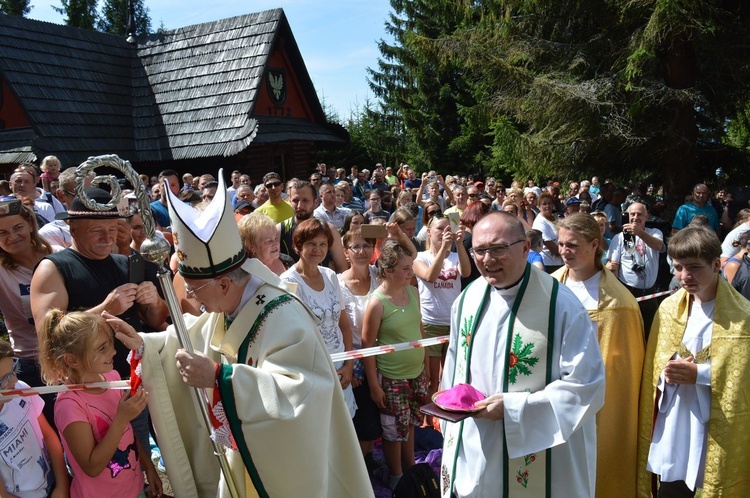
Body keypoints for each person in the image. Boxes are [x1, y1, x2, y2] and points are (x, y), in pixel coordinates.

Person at [113, 173, 373, 497]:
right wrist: (146, 344)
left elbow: (301, 393)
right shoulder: (232, 305)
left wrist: (221, 378)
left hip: (288, 470)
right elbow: (195, 333)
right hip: (248, 454)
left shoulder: (283, 314)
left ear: (223, 283)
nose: (191, 298)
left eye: (195, 289)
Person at [440, 211, 605, 498]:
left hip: (538, 449)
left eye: (499, 249)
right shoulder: (467, 300)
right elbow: (454, 366)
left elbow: (586, 387)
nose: (488, 259)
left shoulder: (562, 306)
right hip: (478, 443)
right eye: (479, 250)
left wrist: (514, 409)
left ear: (526, 248)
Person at [30, 187, 169, 449]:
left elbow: (156, 319)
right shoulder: (54, 268)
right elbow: (47, 332)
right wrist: (105, 309)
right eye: (97, 230)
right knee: (98, 465)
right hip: (86, 392)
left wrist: (154, 301)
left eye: (113, 228)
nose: (108, 237)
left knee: (135, 457)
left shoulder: (126, 263)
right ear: (73, 229)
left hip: (130, 383)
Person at [636, 228, 750, 497]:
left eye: (695, 268)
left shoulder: (743, 317)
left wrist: (699, 373)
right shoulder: (668, 308)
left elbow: (744, 374)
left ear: (716, 264)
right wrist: (667, 372)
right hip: (675, 417)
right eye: (678, 268)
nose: (685, 276)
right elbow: (653, 365)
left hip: (714, 421)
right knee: (673, 487)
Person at [553, 213, 645, 498]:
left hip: (600, 399)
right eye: (560, 244)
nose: (564, 252)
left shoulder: (620, 303)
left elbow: (624, 371)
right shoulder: (550, 287)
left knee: (597, 465)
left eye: (573, 245)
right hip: (555, 393)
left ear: (595, 245)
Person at [38, 310, 161, 498]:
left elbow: (128, 433)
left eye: (110, 344)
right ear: (72, 359)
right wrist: (121, 418)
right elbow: (91, 466)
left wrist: (149, 466)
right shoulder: (70, 405)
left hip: (133, 488)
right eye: (102, 348)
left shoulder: (112, 378)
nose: (113, 351)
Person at [362, 241, 428, 491]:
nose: (410, 272)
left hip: (416, 373)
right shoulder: (377, 303)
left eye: (411, 267)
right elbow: (368, 348)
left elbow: (420, 331)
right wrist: (373, 386)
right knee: (393, 431)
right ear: (388, 271)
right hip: (391, 378)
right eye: (404, 268)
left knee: (410, 423)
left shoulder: (413, 292)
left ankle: (410, 467)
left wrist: (427, 370)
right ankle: (397, 477)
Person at [280, 218, 357, 416]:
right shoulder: (288, 282)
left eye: (323, 244)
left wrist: (349, 365)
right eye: (311, 244)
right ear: (298, 246)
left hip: (340, 366)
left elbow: (344, 324)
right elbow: (292, 336)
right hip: (312, 369)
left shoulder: (330, 275)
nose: (317, 249)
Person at [414, 211, 471, 406]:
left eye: (448, 228)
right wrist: (443, 249)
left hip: (453, 322)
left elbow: (467, 272)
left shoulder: (455, 255)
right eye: (439, 228)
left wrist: (459, 244)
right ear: (429, 232)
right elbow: (430, 276)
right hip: (430, 323)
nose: (444, 232)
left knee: (451, 373)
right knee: (432, 377)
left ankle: (448, 409)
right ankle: (430, 415)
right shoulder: (420, 257)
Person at [0, 339, 69, 498]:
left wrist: (62, 486)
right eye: (4, 380)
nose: (15, 381)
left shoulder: (21, 390)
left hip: (54, 486)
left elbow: (49, 435)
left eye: (14, 369)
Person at [337, 228, 382, 468]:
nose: (362, 251)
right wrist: (350, 365)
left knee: (377, 420)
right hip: (356, 365)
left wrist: (387, 232)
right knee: (362, 422)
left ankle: (370, 460)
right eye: (356, 246)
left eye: (367, 245)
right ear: (346, 252)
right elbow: (339, 328)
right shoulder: (337, 284)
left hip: (382, 359)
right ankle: (360, 468)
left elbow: (408, 253)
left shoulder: (380, 275)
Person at [606, 201, 665, 334]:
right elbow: (614, 266)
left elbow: (659, 246)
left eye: (639, 214)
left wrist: (639, 233)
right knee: (629, 332)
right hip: (628, 291)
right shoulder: (621, 238)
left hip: (650, 292)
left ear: (646, 216)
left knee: (650, 332)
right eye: (632, 214)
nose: (635, 217)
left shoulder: (654, 232)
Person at [531, 192, 563, 272]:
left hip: (561, 261)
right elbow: (549, 244)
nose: (547, 206)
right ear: (539, 206)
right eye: (544, 204)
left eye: (549, 203)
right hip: (549, 264)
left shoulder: (555, 217)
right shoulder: (540, 222)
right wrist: (565, 253)